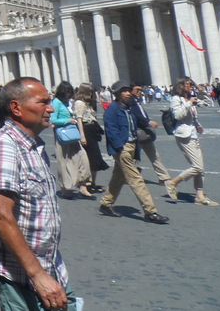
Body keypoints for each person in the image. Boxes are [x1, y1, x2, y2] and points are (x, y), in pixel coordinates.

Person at [0, 78, 74, 311]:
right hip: (22, 276)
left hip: (50, 268)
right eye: (43, 102)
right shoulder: (6, 145)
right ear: (16, 108)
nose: (50, 108)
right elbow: (1, 216)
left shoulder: (33, 145)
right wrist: (38, 275)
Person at [98, 82, 169, 223]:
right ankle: (150, 211)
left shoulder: (129, 108)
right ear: (118, 94)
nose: (128, 93)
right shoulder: (112, 110)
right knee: (136, 179)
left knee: (118, 177)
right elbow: (111, 131)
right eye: (124, 91)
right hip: (122, 149)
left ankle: (106, 204)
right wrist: (121, 147)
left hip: (132, 146)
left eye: (128, 90)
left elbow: (136, 124)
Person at [166, 77, 219, 206]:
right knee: (197, 167)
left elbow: (206, 102)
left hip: (193, 134)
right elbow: (178, 116)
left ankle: (199, 196)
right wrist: (189, 103)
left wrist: (202, 92)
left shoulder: (190, 98)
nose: (191, 87)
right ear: (181, 86)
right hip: (184, 136)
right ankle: (173, 183)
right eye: (189, 85)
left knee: (201, 168)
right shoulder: (176, 100)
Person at [49, 82, 93, 200]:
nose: (70, 95)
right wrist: (68, 120)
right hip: (63, 136)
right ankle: (64, 188)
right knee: (63, 162)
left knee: (82, 158)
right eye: (69, 93)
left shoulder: (66, 102)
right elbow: (53, 120)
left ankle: (83, 185)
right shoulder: (56, 102)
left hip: (72, 134)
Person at [129, 85, 171, 191]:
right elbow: (136, 115)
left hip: (144, 132)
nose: (140, 92)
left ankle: (163, 177)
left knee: (154, 156)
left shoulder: (136, 100)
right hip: (137, 132)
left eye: (140, 90)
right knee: (133, 157)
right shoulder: (131, 101)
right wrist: (148, 122)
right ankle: (129, 176)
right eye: (137, 90)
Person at [71, 84, 108, 192]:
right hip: (86, 131)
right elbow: (79, 119)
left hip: (92, 131)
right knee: (89, 158)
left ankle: (92, 182)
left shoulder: (88, 103)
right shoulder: (79, 103)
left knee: (95, 157)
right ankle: (86, 182)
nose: (91, 94)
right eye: (89, 92)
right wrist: (82, 136)